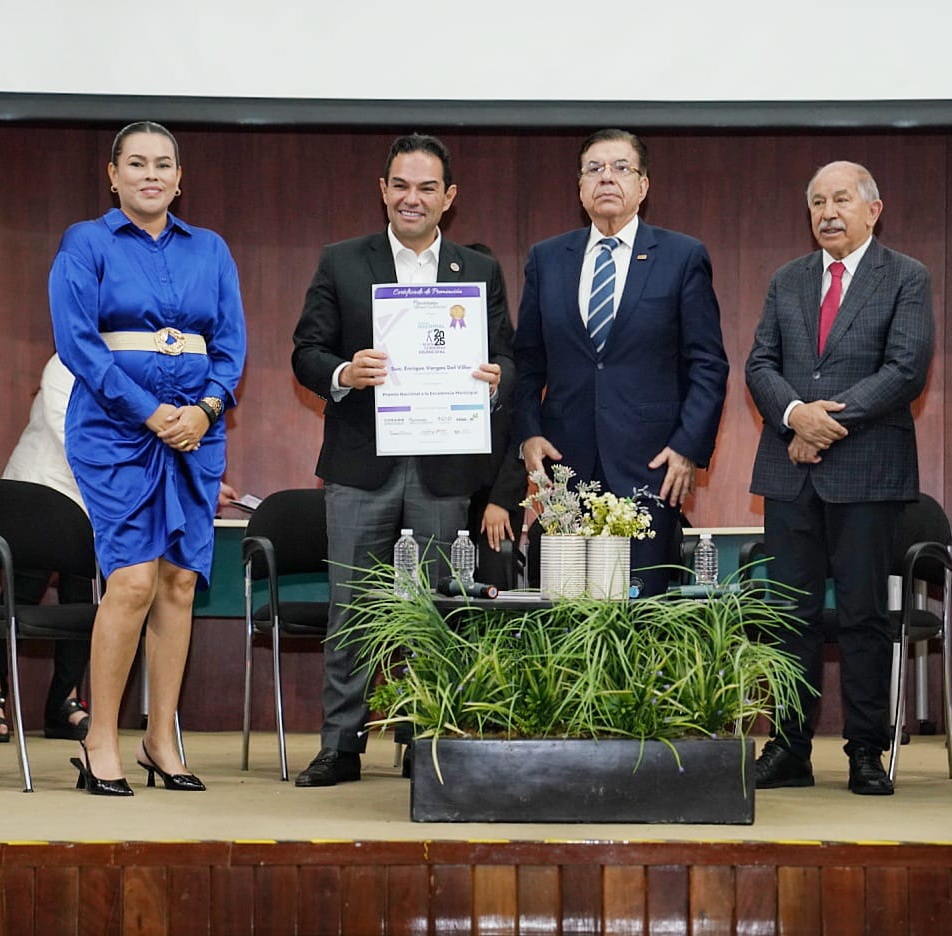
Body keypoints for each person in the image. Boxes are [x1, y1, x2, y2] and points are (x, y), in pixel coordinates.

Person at [291, 134, 513, 787]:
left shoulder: (477, 271)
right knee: (352, 607)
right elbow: (306, 351)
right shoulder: (341, 262)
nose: (411, 198)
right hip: (363, 464)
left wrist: (499, 376)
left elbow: (512, 357)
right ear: (383, 190)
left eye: (426, 188)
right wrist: (342, 371)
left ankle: (428, 739)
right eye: (400, 185)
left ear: (449, 198)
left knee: (437, 606)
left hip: (445, 467)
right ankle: (341, 743)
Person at [50, 120, 247, 795]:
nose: (151, 175)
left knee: (179, 582)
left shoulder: (211, 249)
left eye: (164, 164)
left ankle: (160, 739)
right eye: (136, 164)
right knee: (131, 579)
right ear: (113, 175)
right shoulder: (87, 242)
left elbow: (230, 348)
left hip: (195, 432)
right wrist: (149, 411)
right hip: (114, 429)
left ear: (180, 179)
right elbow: (79, 343)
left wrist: (205, 411)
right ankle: (98, 737)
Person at [746, 160, 934, 796]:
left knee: (862, 617)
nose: (828, 212)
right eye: (818, 201)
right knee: (789, 617)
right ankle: (790, 747)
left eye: (842, 200)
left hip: (867, 471)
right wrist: (796, 416)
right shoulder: (786, 279)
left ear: (873, 209)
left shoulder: (906, 277)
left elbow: (906, 369)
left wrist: (824, 423)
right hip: (789, 471)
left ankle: (863, 752)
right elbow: (760, 363)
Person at [512, 128, 729, 596]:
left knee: (642, 615)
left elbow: (708, 363)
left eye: (621, 168)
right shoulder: (547, 259)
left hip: (650, 465)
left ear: (643, 186)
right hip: (564, 468)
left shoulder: (682, 256)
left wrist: (688, 446)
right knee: (566, 614)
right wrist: (528, 433)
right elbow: (527, 361)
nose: (606, 178)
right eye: (594, 169)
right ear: (580, 188)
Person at [0, 354, 91, 744]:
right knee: (22, 591)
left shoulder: (131, 360)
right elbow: (69, 434)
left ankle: (65, 701)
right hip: (41, 491)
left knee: (84, 599)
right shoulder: (65, 362)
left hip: (96, 504)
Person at [463, 244, 528, 589]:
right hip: (440, 499)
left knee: (493, 600)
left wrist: (500, 501)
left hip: (495, 500)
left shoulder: (512, 358)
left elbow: (522, 436)